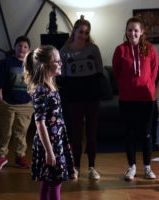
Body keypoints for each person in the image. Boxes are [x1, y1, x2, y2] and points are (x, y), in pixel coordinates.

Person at [23, 45, 75, 200]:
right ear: (45, 66)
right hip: (49, 144)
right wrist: (49, 151)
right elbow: (40, 124)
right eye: (57, 61)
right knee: (54, 182)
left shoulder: (52, 87)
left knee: (48, 181)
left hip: (57, 141)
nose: (61, 64)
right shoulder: (41, 91)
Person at [112, 16, 159, 181]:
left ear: (142, 32)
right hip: (127, 99)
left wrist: (146, 86)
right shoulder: (120, 50)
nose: (133, 33)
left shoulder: (150, 49)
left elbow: (154, 73)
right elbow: (116, 72)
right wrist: (127, 86)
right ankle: (131, 167)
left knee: (146, 133)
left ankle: (147, 167)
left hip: (146, 98)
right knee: (129, 134)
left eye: (136, 30)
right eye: (130, 30)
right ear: (126, 31)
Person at [60, 15, 103, 179]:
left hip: (92, 95)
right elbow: (62, 75)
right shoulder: (64, 50)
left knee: (92, 133)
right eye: (81, 32)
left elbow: (99, 71)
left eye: (86, 32)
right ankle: (75, 166)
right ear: (74, 31)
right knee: (76, 134)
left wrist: (96, 92)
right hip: (74, 96)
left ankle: (92, 167)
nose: (83, 35)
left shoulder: (93, 48)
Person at [0, 36, 33, 171]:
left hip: (26, 105)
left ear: (29, 50)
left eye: (25, 47)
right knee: (5, 131)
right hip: (8, 104)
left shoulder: (32, 64)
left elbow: (36, 82)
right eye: (19, 46)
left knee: (21, 132)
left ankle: (19, 157)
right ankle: (1, 156)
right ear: (15, 47)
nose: (22, 48)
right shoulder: (7, 63)